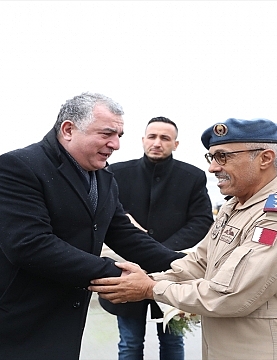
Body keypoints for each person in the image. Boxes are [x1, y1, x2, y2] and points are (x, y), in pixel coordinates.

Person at [0, 92, 185, 360]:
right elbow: (30, 245)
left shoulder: (104, 178)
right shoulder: (17, 167)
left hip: (62, 325)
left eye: (119, 135)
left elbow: (124, 234)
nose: (116, 144)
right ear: (69, 129)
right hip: (9, 327)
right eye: (107, 134)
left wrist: (183, 266)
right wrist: (120, 277)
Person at [90, 118, 277, 359]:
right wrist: (146, 279)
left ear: (265, 158)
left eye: (223, 157)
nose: (213, 168)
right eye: (211, 158)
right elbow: (200, 262)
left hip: (265, 349)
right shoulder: (234, 208)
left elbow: (229, 295)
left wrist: (150, 288)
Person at [100, 116, 214, 360]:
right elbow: (103, 215)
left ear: (176, 144)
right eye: (152, 136)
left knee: (173, 343)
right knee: (129, 344)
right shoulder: (115, 172)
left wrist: (157, 251)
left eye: (165, 138)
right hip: (127, 270)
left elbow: (202, 221)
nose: (157, 142)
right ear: (143, 140)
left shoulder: (192, 176)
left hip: (174, 272)